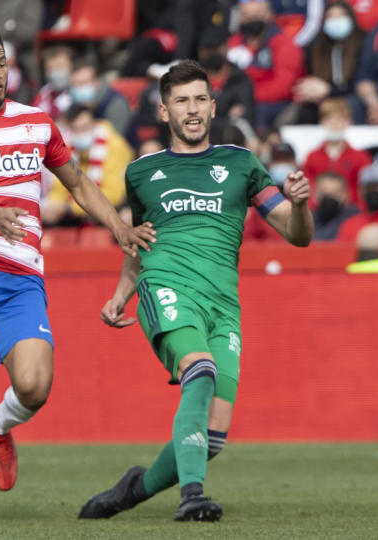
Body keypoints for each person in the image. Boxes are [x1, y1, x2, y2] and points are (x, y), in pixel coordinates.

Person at [0, 26, 155, 523]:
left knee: (35, 387)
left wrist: (118, 227)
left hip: (21, 276)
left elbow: (80, 182)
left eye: (1, 63)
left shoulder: (38, 123)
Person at [77, 59, 313, 522]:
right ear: (164, 111)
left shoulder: (241, 163)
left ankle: (133, 489)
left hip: (223, 303)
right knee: (199, 370)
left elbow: (297, 234)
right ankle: (192, 496)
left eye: (200, 99)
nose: (192, 109)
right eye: (181, 101)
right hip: (166, 286)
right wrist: (122, 293)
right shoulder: (143, 171)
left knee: (216, 434)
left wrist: (301, 206)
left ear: (212, 105)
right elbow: (138, 242)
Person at [42, 104, 134, 226]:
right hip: (76, 211)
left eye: (85, 128)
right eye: (77, 130)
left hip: (113, 210)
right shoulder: (68, 147)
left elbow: (114, 196)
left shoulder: (116, 146)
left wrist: (69, 208)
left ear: (95, 123)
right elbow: (59, 187)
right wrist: (53, 205)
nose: (82, 133)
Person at [226, 0, 305, 131]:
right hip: (240, 101)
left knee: (256, 111)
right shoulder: (233, 43)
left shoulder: (284, 44)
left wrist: (245, 99)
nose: (252, 20)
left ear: (269, 15)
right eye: (247, 16)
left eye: (257, 15)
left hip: (278, 105)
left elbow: (282, 87)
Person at [291, 0, 366, 124]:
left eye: (341, 16)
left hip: (353, 98)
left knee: (352, 105)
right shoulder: (316, 48)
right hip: (323, 100)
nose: (336, 21)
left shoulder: (363, 43)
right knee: (305, 110)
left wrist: (329, 91)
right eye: (330, 17)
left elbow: (361, 82)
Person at [302, 97, 371, 205]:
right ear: (322, 122)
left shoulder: (361, 158)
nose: (334, 125)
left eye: (340, 120)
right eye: (329, 120)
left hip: (350, 211)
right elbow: (307, 190)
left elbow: (364, 190)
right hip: (318, 212)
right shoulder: (312, 157)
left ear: (348, 122)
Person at [312, 171, 359, 240]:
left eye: (334, 194)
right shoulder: (306, 221)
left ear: (345, 195)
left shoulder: (354, 218)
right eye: (325, 194)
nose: (329, 198)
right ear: (315, 195)